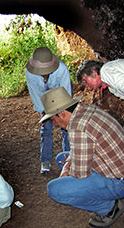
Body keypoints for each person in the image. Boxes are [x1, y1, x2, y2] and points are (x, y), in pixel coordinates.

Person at [38, 87, 124, 228]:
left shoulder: (78, 127)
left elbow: (81, 174)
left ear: (62, 113)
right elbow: (78, 150)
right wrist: (67, 166)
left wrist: (66, 172)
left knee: (55, 189)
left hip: (118, 181)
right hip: (116, 165)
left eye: (53, 120)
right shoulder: (86, 109)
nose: (54, 124)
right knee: (62, 157)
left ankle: (109, 207)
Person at [25, 47, 73, 174]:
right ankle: (45, 161)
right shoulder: (29, 73)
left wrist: (63, 113)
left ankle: (68, 159)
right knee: (46, 127)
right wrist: (44, 112)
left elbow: (66, 94)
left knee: (66, 128)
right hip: (43, 98)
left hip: (61, 95)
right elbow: (35, 94)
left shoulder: (62, 69)